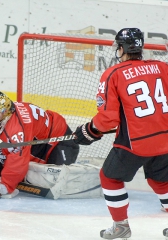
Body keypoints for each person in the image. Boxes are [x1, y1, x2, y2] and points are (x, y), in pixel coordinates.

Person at [73, 27, 168, 239]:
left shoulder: (113, 74)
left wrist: (89, 131)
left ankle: (121, 226)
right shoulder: (162, 67)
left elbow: (107, 120)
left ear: (122, 48)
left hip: (134, 143)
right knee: (161, 181)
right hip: (165, 139)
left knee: (109, 178)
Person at [0, 89, 82, 198]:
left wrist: (4, 185)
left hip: (58, 139)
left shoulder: (17, 128)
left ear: (6, 112)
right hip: (35, 141)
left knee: (53, 178)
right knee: (15, 167)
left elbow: (18, 160)